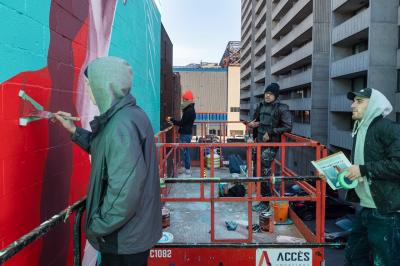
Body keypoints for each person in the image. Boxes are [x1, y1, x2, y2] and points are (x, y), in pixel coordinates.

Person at [55, 56, 162, 266]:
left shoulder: (120, 125)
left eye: (90, 82)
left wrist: (95, 226)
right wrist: (74, 131)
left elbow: (125, 193)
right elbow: (105, 150)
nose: (87, 87)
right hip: (130, 234)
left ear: (105, 84)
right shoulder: (126, 116)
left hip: (123, 238)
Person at [343, 88, 400, 265]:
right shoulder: (360, 129)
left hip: (386, 210)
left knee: (385, 261)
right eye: (354, 101)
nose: (353, 105)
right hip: (367, 206)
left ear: (374, 105)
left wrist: (363, 169)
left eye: (359, 101)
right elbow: (360, 167)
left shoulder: (387, 128)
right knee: (354, 255)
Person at [247, 83, 292, 212]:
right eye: (266, 93)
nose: (267, 95)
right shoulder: (260, 106)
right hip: (258, 142)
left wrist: (271, 132)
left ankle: (266, 202)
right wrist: (251, 125)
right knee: (256, 172)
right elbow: (254, 121)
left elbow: (288, 126)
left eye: (271, 94)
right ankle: (263, 200)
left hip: (271, 144)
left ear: (276, 96)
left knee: (263, 172)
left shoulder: (282, 108)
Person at [168, 90, 196, 175]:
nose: (183, 101)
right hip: (187, 133)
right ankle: (187, 168)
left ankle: (187, 170)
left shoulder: (188, 111)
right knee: (185, 151)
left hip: (185, 134)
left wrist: (172, 120)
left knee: (185, 152)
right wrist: (174, 122)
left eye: (184, 99)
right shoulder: (191, 109)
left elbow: (182, 123)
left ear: (187, 100)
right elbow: (183, 122)